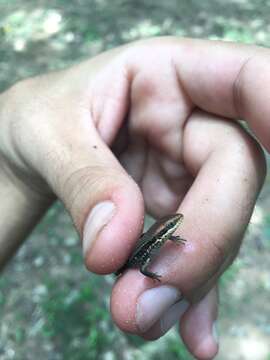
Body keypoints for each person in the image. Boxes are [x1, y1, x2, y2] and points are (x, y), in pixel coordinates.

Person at [0, 37, 267, 360]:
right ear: (164, 233)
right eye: (170, 230)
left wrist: (12, 169)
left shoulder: (161, 239)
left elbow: (161, 240)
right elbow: (143, 268)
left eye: (170, 230)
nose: (171, 230)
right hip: (128, 263)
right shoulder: (150, 248)